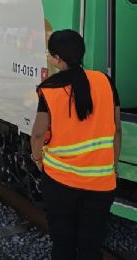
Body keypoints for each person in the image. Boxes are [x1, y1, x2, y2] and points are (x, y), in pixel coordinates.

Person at [31, 29, 121, 260]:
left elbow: (38, 134)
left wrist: (37, 159)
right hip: (101, 182)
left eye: (51, 55)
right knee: (91, 245)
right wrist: (112, 166)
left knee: (63, 243)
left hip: (60, 181)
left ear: (57, 59)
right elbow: (117, 129)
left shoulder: (49, 89)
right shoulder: (104, 81)